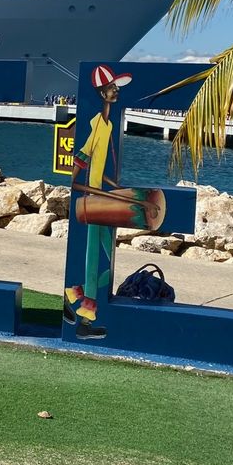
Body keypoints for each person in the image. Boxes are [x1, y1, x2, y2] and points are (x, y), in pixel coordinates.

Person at [64, 64, 157, 339]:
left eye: (116, 87)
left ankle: (72, 299)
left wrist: (113, 185)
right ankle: (84, 322)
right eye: (112, 87)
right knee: (96, 260)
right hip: (94, 202)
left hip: (98, 194)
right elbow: (84, 153)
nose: (116, 91)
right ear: (102, 93)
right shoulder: (97, 123)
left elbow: (98, 161)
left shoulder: (108, 122)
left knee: (102, 257)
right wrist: (79, 182)